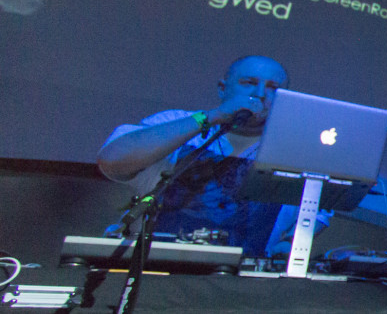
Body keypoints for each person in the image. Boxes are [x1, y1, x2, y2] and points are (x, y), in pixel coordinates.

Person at [96, 55, 329, 257]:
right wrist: (211, 117)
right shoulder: (175, 122)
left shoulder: (296, 150)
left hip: (238, 283)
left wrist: (289, 243)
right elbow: (112, 160)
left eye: (272, 88)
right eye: (248, 83)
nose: (260, 94)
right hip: (150, 265)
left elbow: (321, 208)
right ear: (222, 88)